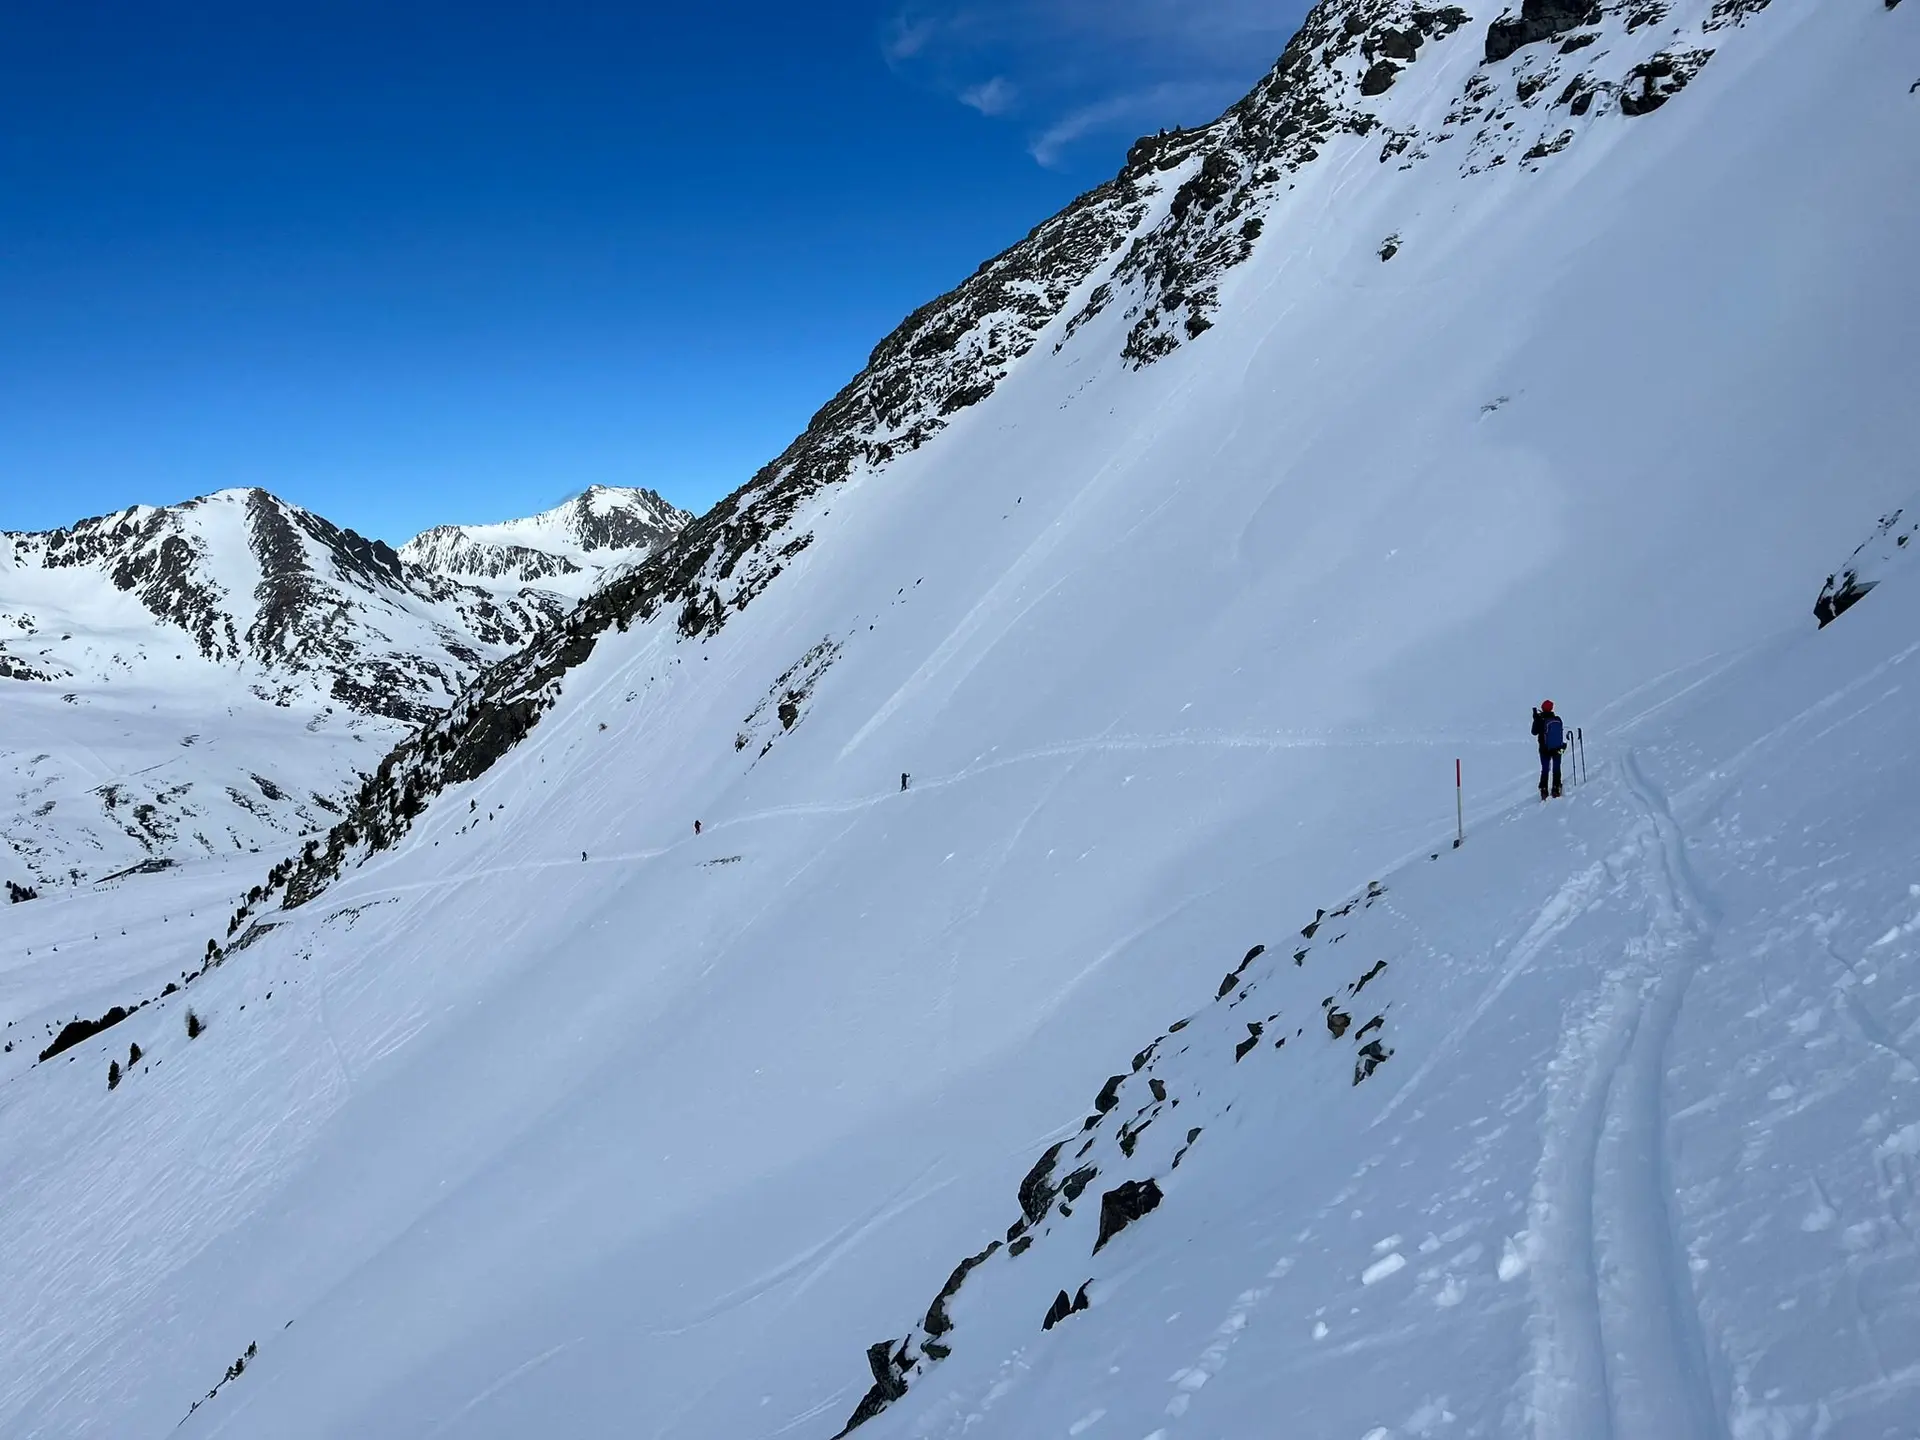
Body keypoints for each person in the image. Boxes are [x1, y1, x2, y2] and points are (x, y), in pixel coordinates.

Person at [1531, 700, 1566, 800]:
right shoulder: (1557, 719)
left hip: (1544, 749)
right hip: (1557, 748)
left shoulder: (1541, 720)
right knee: (1556, 767)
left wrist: (1536, 719)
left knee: (1545, 769)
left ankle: (1544, 790)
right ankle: (1556, 788)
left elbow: (1534, 732)